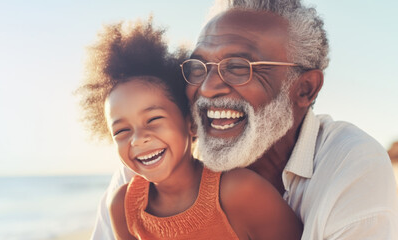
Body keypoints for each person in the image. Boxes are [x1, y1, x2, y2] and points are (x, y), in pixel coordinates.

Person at [91, 1, 398, 240]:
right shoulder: (146, 171)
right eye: (198, 67)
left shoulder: (352, 165)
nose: (208, 88)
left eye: (238, 67)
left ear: (304, 89)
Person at [78, 19, 302, 239]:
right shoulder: (122, 207)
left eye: (153, 119)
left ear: (192, 123)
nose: (138, 139)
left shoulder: (241, 192)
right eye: (121, 131)